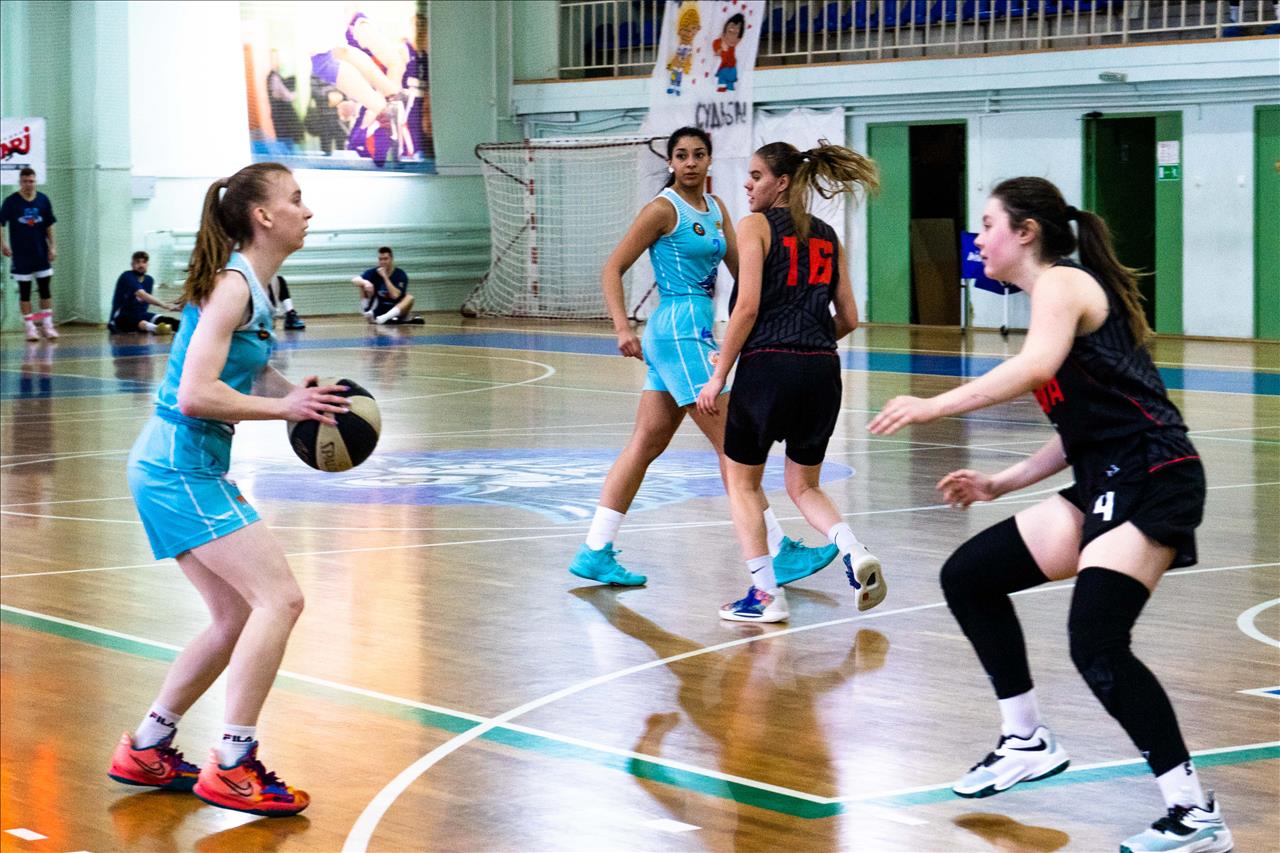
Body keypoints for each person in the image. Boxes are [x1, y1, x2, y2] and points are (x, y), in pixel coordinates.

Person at [867, 177, 1232, 852]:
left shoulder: (1064, 284)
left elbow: (1035, 370)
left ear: (1026, 233)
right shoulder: (1051, 303)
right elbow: (1078, 431)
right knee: (969, 577)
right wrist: (1000, 482)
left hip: (1155, 473)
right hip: (1104, 475)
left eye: (988, 225)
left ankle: (1193, 812)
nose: (978, 240)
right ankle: (1025, 739)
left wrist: (933, 404)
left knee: (1097, 641)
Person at [107, 162, 350, 817]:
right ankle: (234, 763)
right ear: (263, 216)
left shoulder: (250, 284)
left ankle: (147, 746)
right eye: (296, 199)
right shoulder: (233, 285)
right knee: (281, 599)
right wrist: (284, 411)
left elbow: (245, 369)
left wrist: (294, 393)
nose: (307, 211)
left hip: (178, 467)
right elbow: (195, 394)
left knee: (236, 615)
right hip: (178, 468)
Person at [568, 127, 839, 590]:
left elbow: (745, 267)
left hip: (694, 329)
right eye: (681, 155)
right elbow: (612, 267)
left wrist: (789, 299)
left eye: (698, 154)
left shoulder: (717, 209)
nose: (690, 162)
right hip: (679, 330)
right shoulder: (662, 209)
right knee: (733, 446)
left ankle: (595, 549)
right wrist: (621, 327)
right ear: (670, 162)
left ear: (710, 160)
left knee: (645, 443)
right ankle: (778, 551)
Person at [695, 142, 885, 623]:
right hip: (822, 370)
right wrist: (810, 341)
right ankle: (853, 549)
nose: (747, 184)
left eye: (756, 175)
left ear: (781, 183)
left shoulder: (754, 226)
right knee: (805, 486)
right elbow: (850, 318)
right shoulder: (828, 235)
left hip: (768, 369)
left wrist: (719, 373)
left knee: (741, 482)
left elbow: (747, 307)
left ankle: (765, 596)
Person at [1, 166, 59, 341]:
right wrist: (3, 244)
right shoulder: (11, 201)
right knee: (24, 292)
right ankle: (30, 328)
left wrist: (53, 246)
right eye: (25, 181)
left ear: (36, 182)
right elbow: (1, 223)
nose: (29, 184)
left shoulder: (43, 200)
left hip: (41, 253)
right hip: (21, 255)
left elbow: (49, 225)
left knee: (45, 290)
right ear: (20, 182)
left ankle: (47, 325)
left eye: (32, 181)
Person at [108, 251, 180, 335]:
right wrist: (165, 305)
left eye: (144, 262)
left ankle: (184, 328)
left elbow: (146, 300)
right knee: (138, 322)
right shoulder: (127, 276)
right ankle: (155, 328)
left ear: (147, 264)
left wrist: (175, 306)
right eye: (138, 262)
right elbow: (142, 295)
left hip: (142, 315)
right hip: (121, 317)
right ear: (132, 264)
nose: (141, 265)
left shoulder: (149, 280)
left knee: (169, 321)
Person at [351, 246, 420, 324]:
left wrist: (385, 276)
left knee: (410, 298)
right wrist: (366, 283)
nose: (382, 262)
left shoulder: (400, 274)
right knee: (362, 283)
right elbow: (354, 280)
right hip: (379, 308)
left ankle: (384, 318)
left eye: (385, 259)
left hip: (396, 310)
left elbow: (395, 296)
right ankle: (367, 311)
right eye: (380, 259)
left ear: (391, 259)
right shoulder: (374, 272)